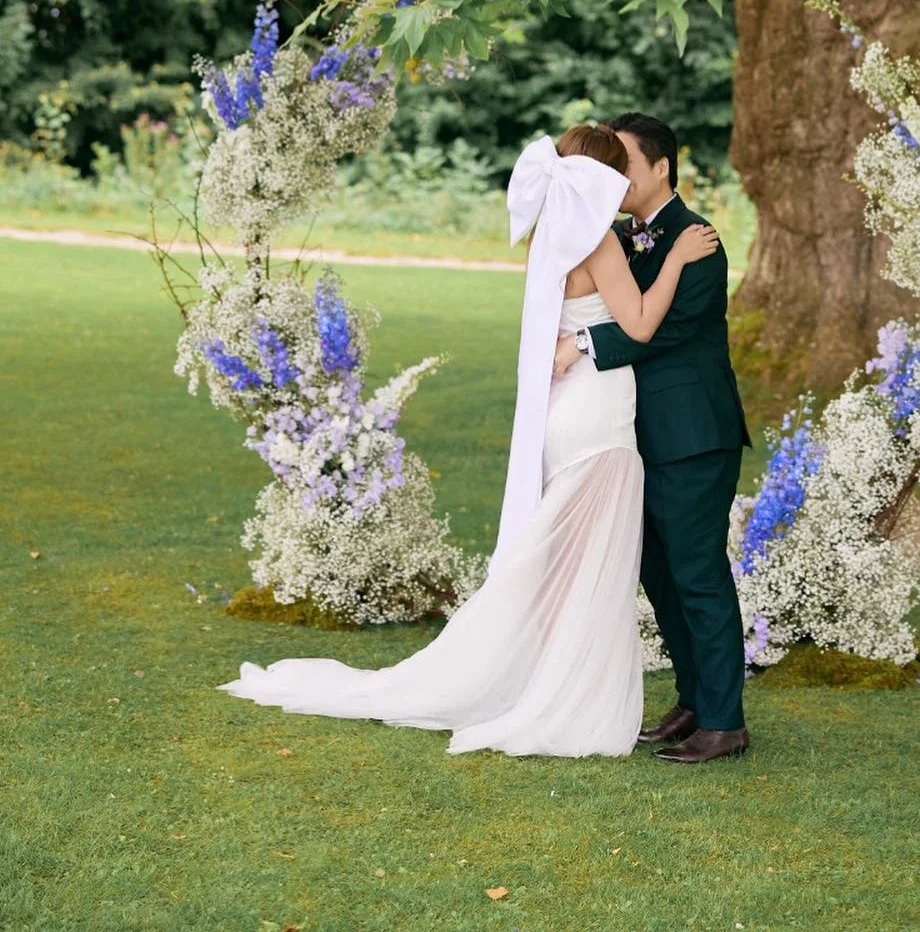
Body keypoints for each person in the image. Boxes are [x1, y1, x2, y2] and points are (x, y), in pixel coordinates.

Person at [216, 123, 718, 757]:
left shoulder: (548, 239)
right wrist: (673, 259)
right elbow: (642, 325)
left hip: (564, 414)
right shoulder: (600, 244)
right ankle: (564, 701)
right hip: (598, 417)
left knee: (566, 564)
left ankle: (547, 682)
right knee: (592, 568)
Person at [553, 112, 754, 765]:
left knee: (695, 571)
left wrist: (581, 342)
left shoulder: (695, 238)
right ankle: (694, 700)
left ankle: (725, 721)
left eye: (623, 165)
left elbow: (663, 330)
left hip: (693, 432)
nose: (611, 177)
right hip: (633, 432)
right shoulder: (612, 234)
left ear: (660, 167)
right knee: (657, 574)